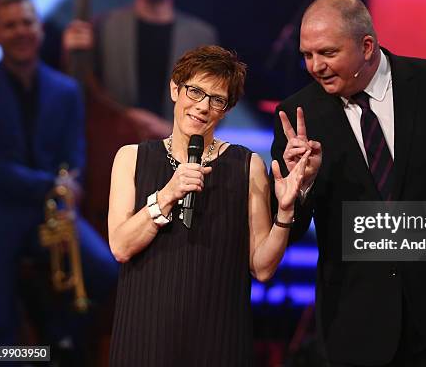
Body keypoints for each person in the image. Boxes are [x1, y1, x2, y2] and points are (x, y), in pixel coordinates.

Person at [271, 0, 426, 366]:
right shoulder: (298, 115)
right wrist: (300, 187)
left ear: (367, 46)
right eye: (307, 55)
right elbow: (288, 230)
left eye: (327, 53)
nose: (315, 66)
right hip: (356, 326)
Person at [107, 45, 307, 366]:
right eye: (196, 92)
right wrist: (168, 194)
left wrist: (285, 212)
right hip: (144, 337)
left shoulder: (247, 165)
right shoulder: (131, 157)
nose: (203, 107)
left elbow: (263, 267)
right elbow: (120, 246)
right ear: (176, 88)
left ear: (226, 110)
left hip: (219, 340)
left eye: (217, 100)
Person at [0, 0, 117, 354]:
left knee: (104, 269)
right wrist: (52, 184)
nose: (21, 31)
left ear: (40, 30)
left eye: (27, 22)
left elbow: (75, 154)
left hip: (52, 210)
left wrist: (69, 182)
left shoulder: (66, 89)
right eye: (10, 25)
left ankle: (56, 347)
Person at [63, 0, 218, 136]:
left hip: (177, 150)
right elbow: (84, 91)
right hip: (114, 143)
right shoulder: (103, 26)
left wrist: (173, 129)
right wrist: (68, 54)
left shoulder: (201, 36)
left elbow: (215, 102)